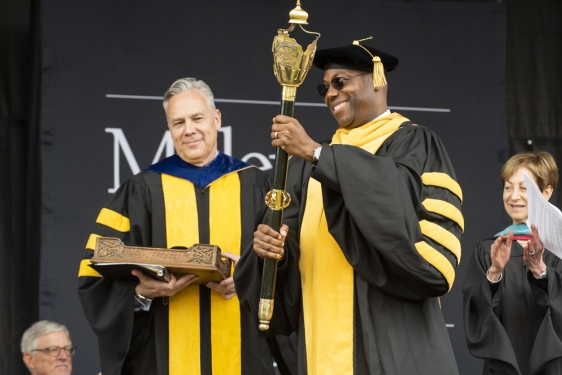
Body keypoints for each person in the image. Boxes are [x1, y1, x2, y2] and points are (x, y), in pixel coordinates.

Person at [235, 40, 463, 374]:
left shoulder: (413, 142)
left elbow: (395, 212)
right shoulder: (307, 164)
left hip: (390, 342)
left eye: (341, 82)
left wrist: (317, 154)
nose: (330, 93)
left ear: (377, 81)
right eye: (324, 87)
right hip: (319, 345)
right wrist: (278, 253)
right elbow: (295, 246)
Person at [78, 78, 288, 375]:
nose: (188, 129)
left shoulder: (257, 186)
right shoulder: (142, 189)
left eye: (197, 118)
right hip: (162, 359)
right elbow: (93, 271)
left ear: (217, 119)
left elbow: (290, 263)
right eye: (178, 122)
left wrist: (248, 277)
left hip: (245, 356)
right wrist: (142, 293)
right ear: (170, 129)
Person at [463, 152, 562, 375]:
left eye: (524, 188)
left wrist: (541, 273)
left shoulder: (559, 250)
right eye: (508, 187)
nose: (513, 196)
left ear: (546, 192)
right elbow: (477, 316)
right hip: (504, 368)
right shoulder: (489, 250)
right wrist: (494, 274)